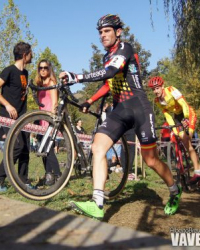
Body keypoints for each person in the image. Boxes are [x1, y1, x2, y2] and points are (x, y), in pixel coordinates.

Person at [59, 14, 181, 220]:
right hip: (120, 111)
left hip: (139, 108)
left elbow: (111, 71)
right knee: (98, 146)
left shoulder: (125, 48)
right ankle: (97, 203)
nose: (102, 35)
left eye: (107, 31)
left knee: (151, 161)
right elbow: (108, 83)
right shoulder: (106, 57)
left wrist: (77, 77)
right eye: (100, 32)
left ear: (118, 32)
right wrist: (89, 100)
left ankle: (174, 190)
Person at [0, 41, 33, 192]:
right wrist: (7, 105)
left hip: (22, 116)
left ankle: (23, 181)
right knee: (17, 147)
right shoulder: (9, 70)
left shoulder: (26, 73)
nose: (32, 55)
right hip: (8, 116)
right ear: (24, 55)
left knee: (25, 148)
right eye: (31, 52)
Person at [148, 76, 200, 184]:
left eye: (157, 88)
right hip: (177, 117)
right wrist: (174, 130)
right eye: (153, 89)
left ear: (162, 86)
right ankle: (182, 166)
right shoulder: (157, 101)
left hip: (187, 114)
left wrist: (186, 117)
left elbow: (184, 104)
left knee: (187, 141)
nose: (155, 91)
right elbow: (167, 115)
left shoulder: (171, 90)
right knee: (179, 137)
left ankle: (197, 171)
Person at [35, 59, 62, 185]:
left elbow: (54, 102)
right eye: (40, 68)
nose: (43, 70)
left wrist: (52, 119)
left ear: (49, 68)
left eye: (45, 67)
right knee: (42, 149)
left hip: (49, 120)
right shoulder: (40, 83)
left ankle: (58, 175)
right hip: (41, 121)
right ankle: (49, 174)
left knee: (49, 149)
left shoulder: (51, 82)